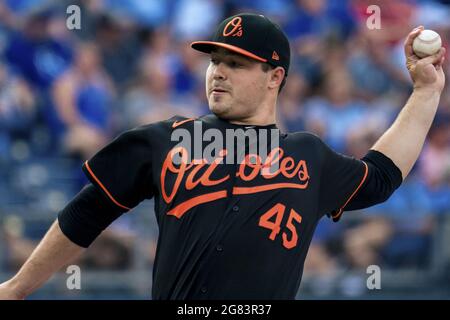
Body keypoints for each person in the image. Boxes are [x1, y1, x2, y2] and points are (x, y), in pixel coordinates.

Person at [0, 13, 446, 300]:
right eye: (215, 60)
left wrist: (426, 92)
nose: (218, 72)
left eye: (236, 63)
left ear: (275, 77)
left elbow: (382, 175)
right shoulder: (165, 141)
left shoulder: (306, 155)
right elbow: (84, 215)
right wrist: (16, 289)